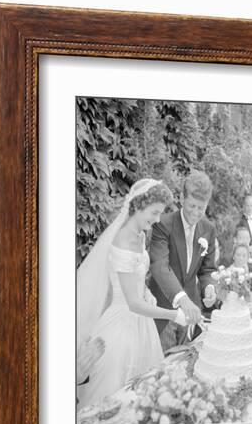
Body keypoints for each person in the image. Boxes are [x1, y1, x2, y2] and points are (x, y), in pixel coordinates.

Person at [76, 178, 190, 409]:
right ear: (138, 206)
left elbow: (133, 279)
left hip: (140, 324)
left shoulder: (139, 234)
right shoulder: (123, 241)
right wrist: (173, 315)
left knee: (142, 397)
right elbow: (132, 303)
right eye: (154, 212)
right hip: (120, 329)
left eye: (160, 214)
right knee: (115, 400)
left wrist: (146, 291)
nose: (157, 219)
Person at [149, 171, 217, 352]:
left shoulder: (208, 229)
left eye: (200, 208)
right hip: (164, 310)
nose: (195, 213)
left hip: (192, 314)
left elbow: (207, 270)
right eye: (192, 206)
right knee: (162, 368)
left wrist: (209, 287)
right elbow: (159, 266)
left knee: (185, 366)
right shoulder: (162, 224)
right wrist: (182, 299)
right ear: (181, 198)